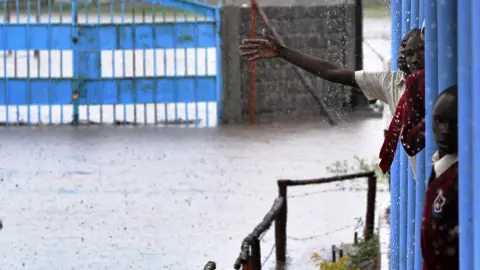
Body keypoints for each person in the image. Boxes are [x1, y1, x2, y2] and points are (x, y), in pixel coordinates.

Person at [239, 28, 425, 176]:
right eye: (408, 54)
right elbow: (331, 72)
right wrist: (282, 52)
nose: (414, 59)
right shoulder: (391, 83)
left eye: (420, 52)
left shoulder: (438, 83)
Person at [421, 85, 459, 270]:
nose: (446, 130)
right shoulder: (439, 165)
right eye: (439, 121)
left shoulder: (463, 177)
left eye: (455, 123)